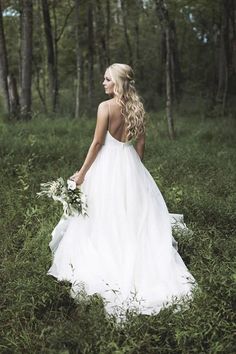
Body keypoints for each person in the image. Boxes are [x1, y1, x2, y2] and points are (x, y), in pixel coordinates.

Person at [47, 63, 197, 317]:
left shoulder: (105, 108)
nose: (103, 83)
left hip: (107, 165)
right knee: (132, 215)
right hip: (130, 164)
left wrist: (82, 173)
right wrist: (136, 171)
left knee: (102, 215)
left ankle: (109, 258)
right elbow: (140, 144)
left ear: (117, 82)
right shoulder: (136, 107)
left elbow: (96, 144)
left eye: (106, 79)